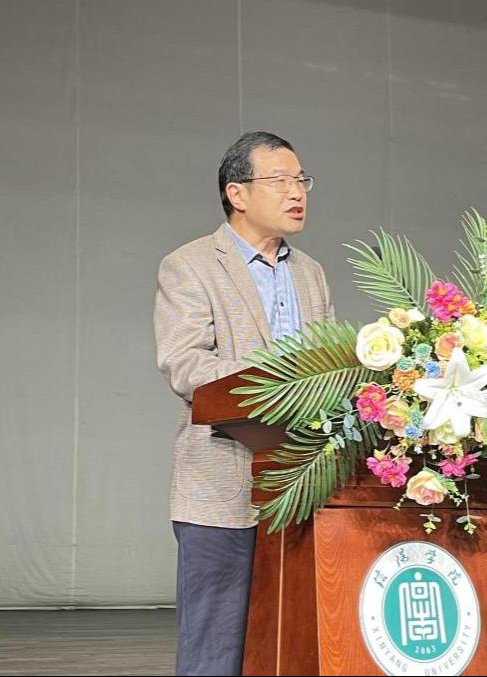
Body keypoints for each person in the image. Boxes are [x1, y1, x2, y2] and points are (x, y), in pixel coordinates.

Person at [153, 131, 333, 676]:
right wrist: (280, 381)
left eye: (301, 180)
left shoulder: (311, 273)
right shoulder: (190, 265)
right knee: (216, 652)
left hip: (303, 487)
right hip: (221, 485)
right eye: (280, 180)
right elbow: (185, 364)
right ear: (237, 193)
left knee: (293, 647)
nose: (296, 192)